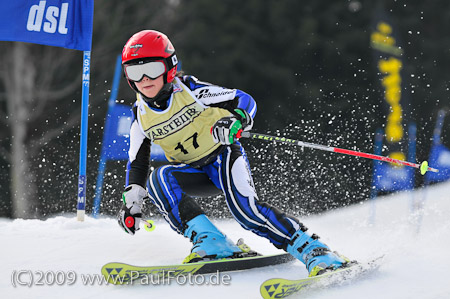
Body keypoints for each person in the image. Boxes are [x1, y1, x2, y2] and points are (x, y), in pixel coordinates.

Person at [117, 30, 350, 277]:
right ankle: (212, 242)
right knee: (157, 180)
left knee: (245, 212)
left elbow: (243, 99)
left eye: (152, 69)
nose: (144, 79)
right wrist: (132, 203)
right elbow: (137, 162)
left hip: (223, 157)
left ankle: (316, 251)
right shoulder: (140, 115)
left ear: (170, 66)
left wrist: (236, 120)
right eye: (134, 71)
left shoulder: (191, 91)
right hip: (194, 171)